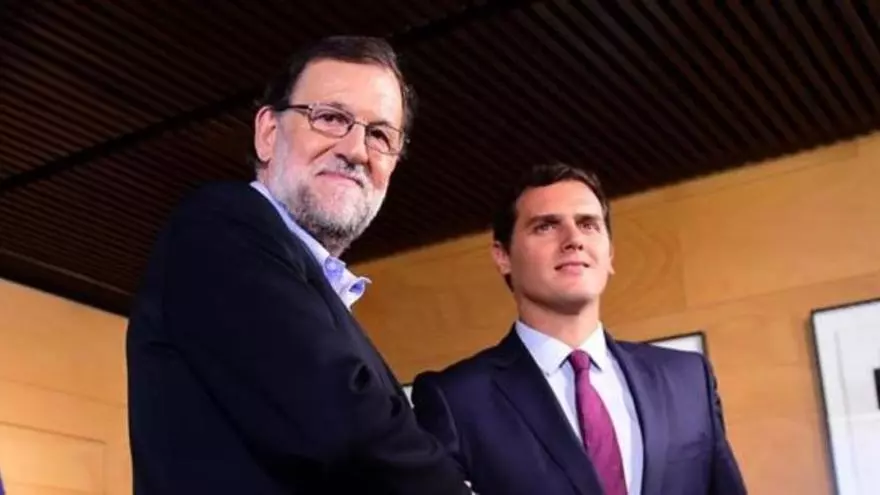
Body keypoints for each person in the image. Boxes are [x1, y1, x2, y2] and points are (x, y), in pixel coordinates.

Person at [126, 36, 469, 495]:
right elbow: (340, 418)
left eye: (380, 135)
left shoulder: (312, 290)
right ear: (268, 133)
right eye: (331, 118)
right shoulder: (218, 225)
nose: (357, 149)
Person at [411, 163, 748, 495]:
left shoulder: (688, 379)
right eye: (545, 226)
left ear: (610, 254)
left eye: (588, 225)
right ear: (503, 256)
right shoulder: (455, 400)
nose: (574, 239)